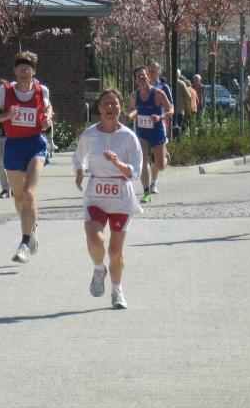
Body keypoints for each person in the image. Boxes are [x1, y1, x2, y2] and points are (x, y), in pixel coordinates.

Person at [73, 88, 143, 310]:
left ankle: (117, 291)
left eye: (114, 103)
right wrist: (79, 171)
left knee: (114, 251)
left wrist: (118, 164)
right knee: (95, 240)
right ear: (99, 108)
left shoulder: (129, 137)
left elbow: (136, 171)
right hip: (96, 194)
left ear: (121, 107)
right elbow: (79, 157)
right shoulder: (90, 134)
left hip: (121, 197)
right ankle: (98, 268)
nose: (110, 107)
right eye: (105, 103)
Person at [0, 52, 53, 264]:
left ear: (34, 72)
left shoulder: (41, 90)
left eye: (27, 69)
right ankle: (32, 229)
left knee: (29, 192)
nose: (23, 72)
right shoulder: (4, 92)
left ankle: (24, 243)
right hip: (13, 145)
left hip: (35, 144)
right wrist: (6, 115)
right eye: (20, 68)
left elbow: (48, 107)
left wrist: (48, 117)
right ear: (14, 71)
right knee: (19, 197)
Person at [127, 66, 173, 203]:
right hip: (142, 132)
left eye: (143, 74)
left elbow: (170, 110)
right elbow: (133, 109)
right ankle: (146, 193)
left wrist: (160, 117)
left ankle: (165, 156)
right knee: (142, 161)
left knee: (160, 166)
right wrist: (130, 115)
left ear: (148, 76)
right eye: (138, 76)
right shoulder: (134, 96)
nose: (141, 77)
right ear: (136, 80)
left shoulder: (158, 93)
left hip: (157, 132)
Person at [172, 69, 192, 138]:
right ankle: (177, 142)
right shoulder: (182, 84)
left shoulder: (167, 82)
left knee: (169, 129)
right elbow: (188, 97)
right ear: (179, 75)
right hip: (180, 111)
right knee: (178, 129)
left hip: (169, 111)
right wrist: (188, 109)